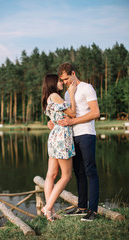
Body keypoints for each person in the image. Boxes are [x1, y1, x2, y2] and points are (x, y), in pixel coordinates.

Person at [48, 63, 100, 221]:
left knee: (90, 171)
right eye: (62, 80)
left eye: (66, 78)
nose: (64, 82)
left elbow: (96, 113)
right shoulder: (66, 94)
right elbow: (67, 115)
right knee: (79, 173)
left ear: (73, 73)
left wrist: (73, 121)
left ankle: (93, 210)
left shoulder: (86, 88)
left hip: (86, 134)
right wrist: (53, 123)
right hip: (71, 137)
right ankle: (82, 206)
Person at [41, 73, 77, 221]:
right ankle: (48, 207)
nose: (61, 82)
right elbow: (73, 113)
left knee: (51, 175)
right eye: (59, 80)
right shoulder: (55, 95)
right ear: (52, 82)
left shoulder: (48, 98)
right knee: (66, 175)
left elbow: (53, 118)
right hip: (62, 137)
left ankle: (50, 212)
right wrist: (72, 94)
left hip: (54, 136)